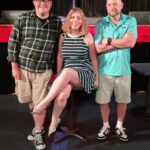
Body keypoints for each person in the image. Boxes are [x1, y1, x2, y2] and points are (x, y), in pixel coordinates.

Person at [32, 7, 98, 137]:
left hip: (83, 72)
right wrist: (58, 74)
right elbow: (60, 57)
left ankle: (44, 103)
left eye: (78, 18)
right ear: (68, 20)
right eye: (73, 17)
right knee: (62, 95)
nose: (75, 20)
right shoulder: (63, 36)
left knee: (67, 71)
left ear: (82, 21)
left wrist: (96, 77)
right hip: (67, 74)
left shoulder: (87, 36)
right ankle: (54, 121)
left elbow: (94, 59)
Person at [7, 0, 62, 149]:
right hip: (23, 69)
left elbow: (61, 47)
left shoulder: (57, 22)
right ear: (34, 2)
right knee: (30, 100)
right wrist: (14, 67)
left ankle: (38, 132)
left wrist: (59, 72)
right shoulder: (23, 18)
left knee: (40, 104)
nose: (42, 3)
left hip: (43, 71)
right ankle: (40, 126)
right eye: (39, 0)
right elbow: (13, 43)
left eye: (46, 1)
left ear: (51, 3)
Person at [94, 0, 137, 142]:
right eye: (109, 4)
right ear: (106, 6)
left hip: (123, 70)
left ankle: (119, 125)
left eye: (115, 3)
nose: (112, 6)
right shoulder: (101, 23)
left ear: (121, 5)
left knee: (122, 101)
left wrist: (109, 40)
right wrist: (120, 42)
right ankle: (105, 125)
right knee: (103, 101)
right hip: (104, 70)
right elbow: (98, 48)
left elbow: (131, 43)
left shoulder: (131, 20)